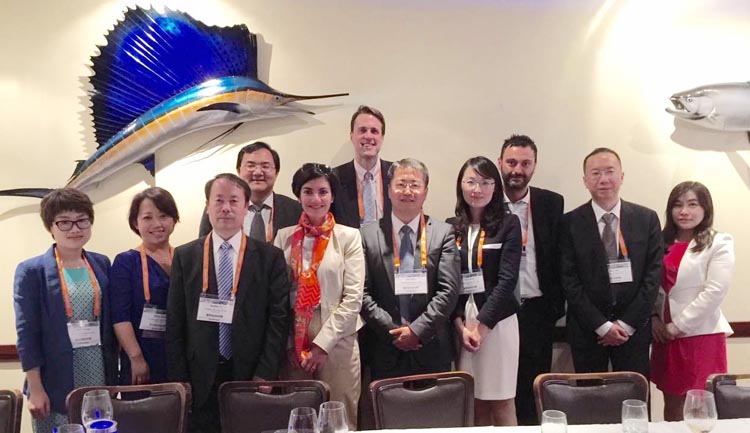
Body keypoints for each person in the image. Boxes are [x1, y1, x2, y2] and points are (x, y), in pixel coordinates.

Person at [167, 173, 290, 433]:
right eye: (219, 200)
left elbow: (278, 319)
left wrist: (266, 371)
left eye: (234, 201)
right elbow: (175, 321)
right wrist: (180, 379)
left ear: (246, 207)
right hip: (200, 376)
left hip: (251, 372)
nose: (226, 208)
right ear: (207, 206)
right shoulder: (185, 256)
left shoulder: (270, 257)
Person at [13, 188, 117, 432]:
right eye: (64, 222)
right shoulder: (32, 271)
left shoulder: (101, 263)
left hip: (97, 369)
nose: (75, 229)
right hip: (54, 377)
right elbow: (27, 334)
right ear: (50, 226)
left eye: (82, 220)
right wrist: (35, 388)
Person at [274, 163, 365, 430]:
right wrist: (290, 344)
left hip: (338, 339)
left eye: (323, 192)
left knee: (340, 417)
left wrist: (322, 346)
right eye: (308, 191)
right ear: (298, 196)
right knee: (300, 417)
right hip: (294, 340)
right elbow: (277, 297)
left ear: (332, 196)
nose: (316, 199)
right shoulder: (283, 238)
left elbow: (353, 298)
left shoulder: (348, 237)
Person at [560, 148, 662, 377]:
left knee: (634, 395)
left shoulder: (646, 219)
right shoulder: (569, 223)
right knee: (589, 395)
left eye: (609, 171)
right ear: (585, 180)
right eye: (595, 173)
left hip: (634, 330)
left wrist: (626, 324)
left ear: (622, 176)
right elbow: (569, 280)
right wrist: (602, 326)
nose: (603, 179)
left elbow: (652, 276)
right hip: (587, 330)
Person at [360, 158, 460, 380]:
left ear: (425, 192)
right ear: (388, 190)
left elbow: (449, 291)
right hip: (385, 348)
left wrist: (417, 331)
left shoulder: (443, 233)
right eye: (401, 184)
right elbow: (362, 294)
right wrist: (394, 332)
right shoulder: (367, 235)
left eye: (414, 185)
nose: (407, 191)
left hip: (432, 347)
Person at [651, 181, 734, 421]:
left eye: (692, 204)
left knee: (699, 406)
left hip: (699, 334)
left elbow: (715, 291)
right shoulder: (660, 242)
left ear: (705, 209)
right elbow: (651, 285)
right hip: (664, 336)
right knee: (672, 405)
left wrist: (678, 326)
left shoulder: (719, 242)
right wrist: (654, 319)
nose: (684, 211)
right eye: (677, 205)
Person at [497, 134, 565, 425]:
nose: (517, 170)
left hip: (537, 310)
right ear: (500, 163)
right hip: (498, 313)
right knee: (500, 388)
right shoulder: (486, 200)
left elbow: (560, 258)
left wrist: (554, 309)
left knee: (534, 387)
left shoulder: (551, 203)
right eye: (511, 162)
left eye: (525, 164)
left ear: (534, 166)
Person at [451, 157, 522, 426]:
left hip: (497, 322)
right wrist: (461, 327)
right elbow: (448, 282)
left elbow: (507, 281)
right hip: (463, 325)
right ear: (461, 185)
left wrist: (481, 328)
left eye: (485, 182)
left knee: (502, 400)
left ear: (495, 187)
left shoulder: (509, 223)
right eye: (470, 181)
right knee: (474, 402)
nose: (477, 189)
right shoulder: (451, 227)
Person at [110, 187, 179, 386]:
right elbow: (120, 316)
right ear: (135, 222)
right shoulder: (126, 262)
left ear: (174, 219)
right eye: (148, 217)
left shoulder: (185, 258)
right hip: (142, 357)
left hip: (178, 357)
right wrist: (136, 358)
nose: (157, 224)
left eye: (163, 216)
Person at [199, 141, 302, 242]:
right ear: (239, 171)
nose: (258, 172)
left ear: (276, 172)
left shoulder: (295, 209)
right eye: (250, 166)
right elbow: (203, 246)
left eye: (265, 166)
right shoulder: (218, 207)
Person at [333, 105, 393, 228]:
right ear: (352, 136)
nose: (368, 136)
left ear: (382, 138)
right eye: (362, 130)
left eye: (374, 131)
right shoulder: (334, 179)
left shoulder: (397, 175)